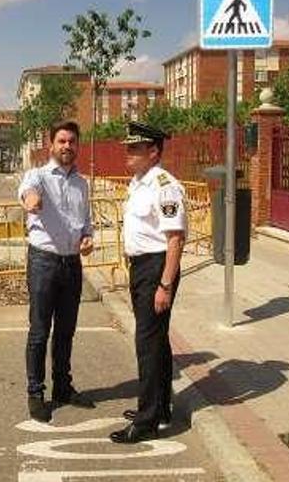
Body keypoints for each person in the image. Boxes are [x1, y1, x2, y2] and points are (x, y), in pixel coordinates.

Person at [110, 121, 186, 444]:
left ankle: (146, 421)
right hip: (141, 267)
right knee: (157, 341)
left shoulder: (165, 186)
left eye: (135, 148)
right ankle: (160, 406)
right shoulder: (138, 182)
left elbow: (175, 239)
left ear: (153, 151)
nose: (128, 153)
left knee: (147, 343)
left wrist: (165, 284)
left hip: (157, 268)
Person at [18, 120, 95, 423]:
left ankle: (63, 387)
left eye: (72, 141)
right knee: (39, 332)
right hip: (44, 263)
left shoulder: (82, 183)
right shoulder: (37, 175)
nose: (67, 146)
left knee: (66, 331)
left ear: (77, 145)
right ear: (51, 145)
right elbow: (27, 192)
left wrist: (88, 237)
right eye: (61, 141)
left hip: (71, 265)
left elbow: (85, 220)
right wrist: (31, 201)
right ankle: (36, 393)